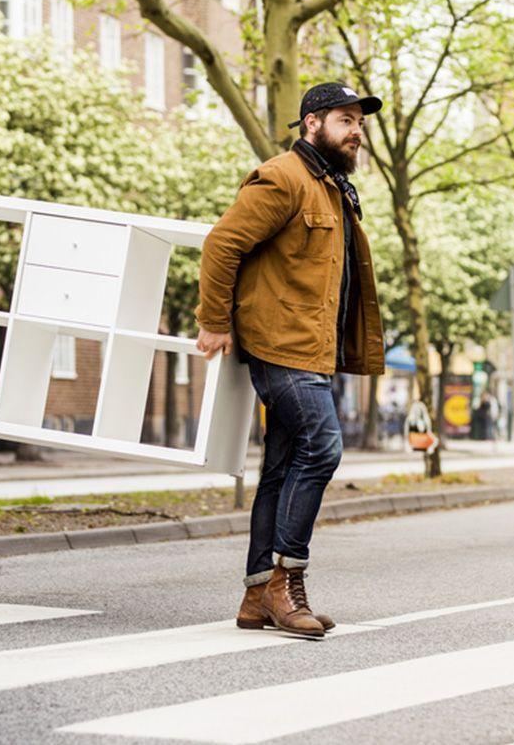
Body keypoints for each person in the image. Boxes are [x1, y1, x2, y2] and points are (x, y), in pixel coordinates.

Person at [196, 82, 385, 638]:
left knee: (281, 468)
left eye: (360, 123)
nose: (357, 132)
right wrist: (214, 320)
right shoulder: (283, 177)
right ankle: (286, 580)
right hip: (281, 346)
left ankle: (257, 596)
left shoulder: (330, 188)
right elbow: (222, 244)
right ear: (311, 125)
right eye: (346, 121)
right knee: (323, 448)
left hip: (312, 348)